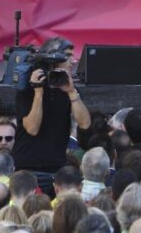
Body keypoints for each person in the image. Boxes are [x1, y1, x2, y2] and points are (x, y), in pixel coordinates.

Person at [13, 37, 91, 177]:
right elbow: (32, 128)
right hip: (27, 165)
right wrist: (38, 92)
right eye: (67, 56)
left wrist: (72, 92)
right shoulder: (27, 88)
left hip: (57, 165)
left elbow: (84, 124)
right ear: (53, 58)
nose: (72, 61)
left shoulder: (69, 88)